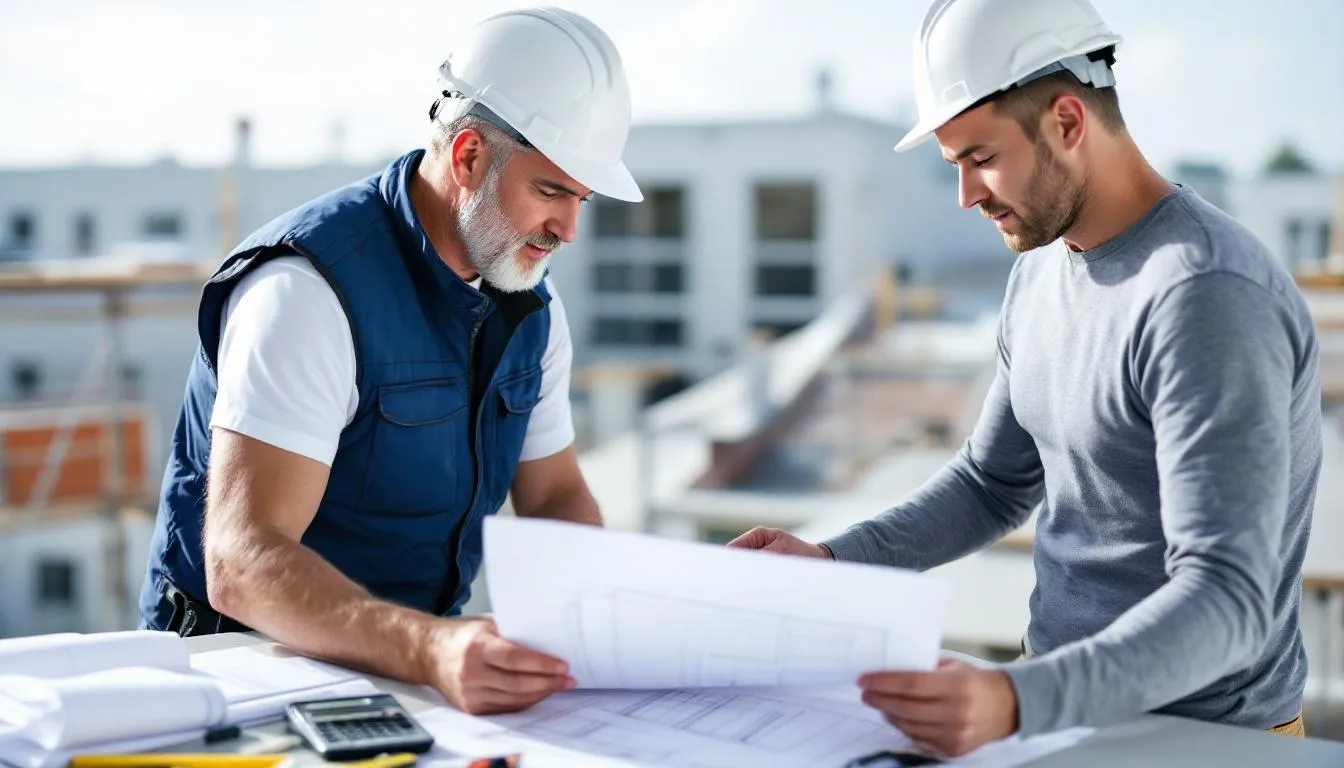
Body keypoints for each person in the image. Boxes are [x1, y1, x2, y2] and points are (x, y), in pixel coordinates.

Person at [731, 0, 1321, 755]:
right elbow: (991, 481)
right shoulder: (1042, 266)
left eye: (981, 159)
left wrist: (1016, 699)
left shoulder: (1206, 294)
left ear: (1069, 123)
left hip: (1201, 740)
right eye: (955, 166)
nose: (967, 195)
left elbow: (1228, 601)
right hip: (1059, 715)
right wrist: (832, 565)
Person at [137, 6, 643, 716]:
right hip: (240, 683)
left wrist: (617, 620)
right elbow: (244, 562)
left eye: (581, 197)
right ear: (468, 157)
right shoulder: (309, 293)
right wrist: (430, 649)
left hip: (408, 675)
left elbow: (555, 495)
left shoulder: (530, 305)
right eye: (552, 191)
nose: (569, 229)